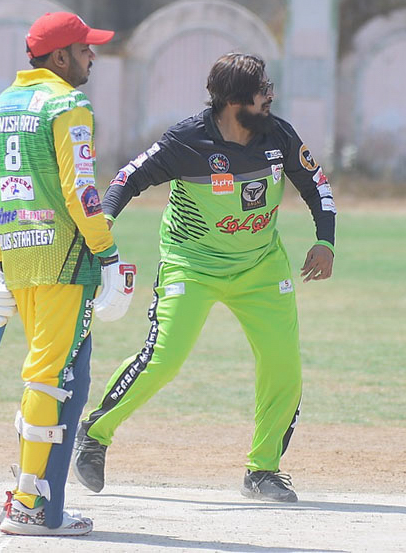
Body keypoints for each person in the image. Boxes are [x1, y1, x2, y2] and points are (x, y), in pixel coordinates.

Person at [73, 52, 336, 503]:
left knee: (283, 367)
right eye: (262, 91)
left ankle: (263, 470)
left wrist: (325, 241)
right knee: (165, 359)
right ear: (234, 101)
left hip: (260, 266)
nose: (271, 96)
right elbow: (128, 178)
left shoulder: (278, 135)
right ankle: (94, 434)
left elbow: (317, 185)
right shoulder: (187, 140)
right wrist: (106, 221)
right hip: (191, 264)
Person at [0, 11, 135, 536]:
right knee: (51, 377)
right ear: (61, 56)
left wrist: (1, 263)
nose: (93, 57)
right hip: (65, 260)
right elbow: (81, 190)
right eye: (86, 49)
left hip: (20, 257)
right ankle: (29, 505)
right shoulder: (68, 105)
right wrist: (107, 253)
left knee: (55, 374)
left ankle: (38, 502)